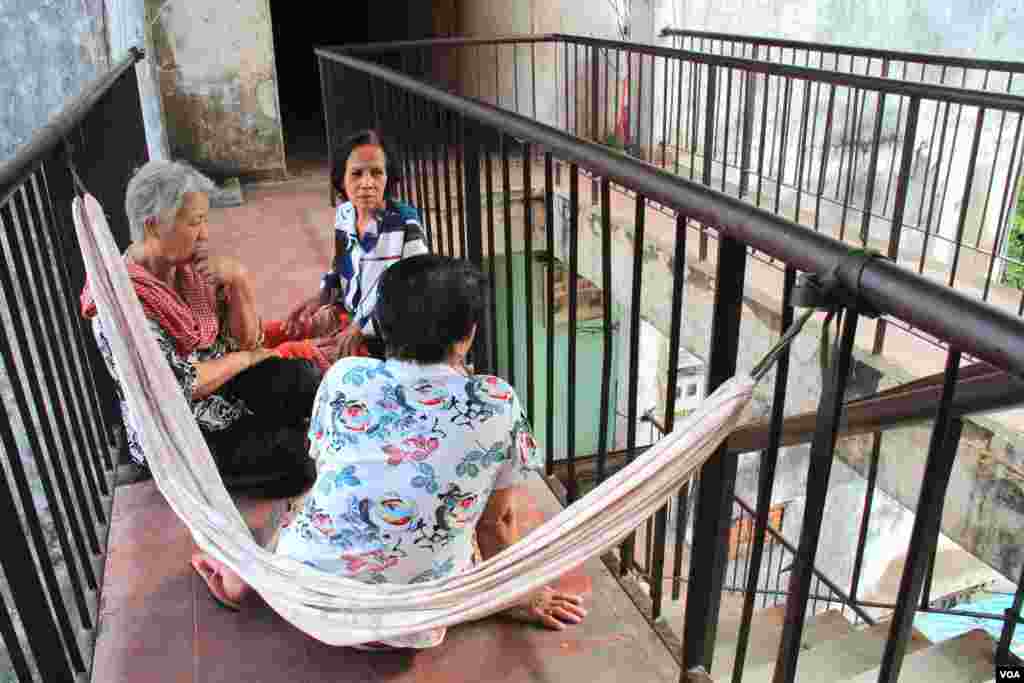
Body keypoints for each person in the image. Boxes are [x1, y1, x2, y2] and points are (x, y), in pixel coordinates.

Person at [191, 255, 588, 649]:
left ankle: (247, 572)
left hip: (306, 598)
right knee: (457, 529)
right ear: (468, 335)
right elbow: (495, 523)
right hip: (413, 622)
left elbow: (329, 464)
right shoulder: (495, 402)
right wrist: (520, 594)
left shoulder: (346, 375)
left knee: (310, 503)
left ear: (380, 325)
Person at [81, 160, 320, 498]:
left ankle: (266, 432)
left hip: (224, 389)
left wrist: (239, 283)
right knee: (296, 464)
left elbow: (248, 339)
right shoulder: (123, 302)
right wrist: (247, 359)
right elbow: (182, 386)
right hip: (179, 428)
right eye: (195, 223)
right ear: (153, 227)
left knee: (304, 378)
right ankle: (213, 465)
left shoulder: (190, 269)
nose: (205, 234)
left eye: (204, 220)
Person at [282, 129, 429, 362]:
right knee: (280, 332)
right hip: (347, 318)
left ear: (389, 177)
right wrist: (320, 297)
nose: (367, 183)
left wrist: (362, 328)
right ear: (342, 179)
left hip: (384, 340)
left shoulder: (405, 223)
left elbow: (414, 293)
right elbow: (341, 266)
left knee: (287, 356)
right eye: (357, 174)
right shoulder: (345, 214)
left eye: (377, 173)